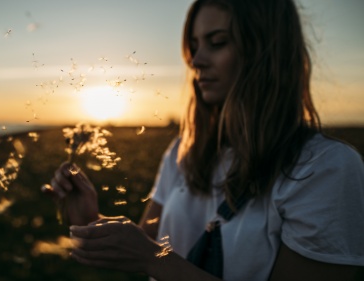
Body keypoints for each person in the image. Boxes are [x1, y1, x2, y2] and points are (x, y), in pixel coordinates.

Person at [44, 0, 364, 280]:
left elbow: (152, 255)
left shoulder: (324, 169)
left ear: (267, 51)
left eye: (218, 42)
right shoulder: (184, 152)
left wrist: (155, 260)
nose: (196, 61)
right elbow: (147, 240)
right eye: (195, 45)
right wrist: (90, 219)